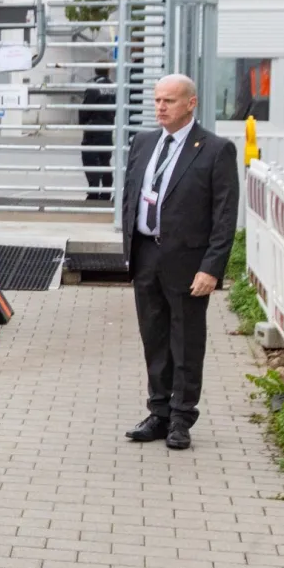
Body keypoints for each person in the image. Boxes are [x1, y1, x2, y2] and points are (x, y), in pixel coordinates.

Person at [122, 74, 238, 451]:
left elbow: (224, 215)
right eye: (157, 100)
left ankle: (182, 416)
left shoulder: (216, 150)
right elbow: (132, 195)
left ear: (191, 103)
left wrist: (212, 267)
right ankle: (158, 412)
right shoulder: (142, 142)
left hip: (188, 261)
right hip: (146, 254)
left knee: (186, 339)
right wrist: (130, 248)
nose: (160, 107)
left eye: (169, 101)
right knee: (154, 337)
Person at [80, 66, 115, 201]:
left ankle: (93, 191)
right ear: (108, 71)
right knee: (105, 160)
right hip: (107, 128)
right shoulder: (113, 86)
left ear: (95, 70)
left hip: (93, 128)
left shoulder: (94, 86)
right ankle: (106, 192)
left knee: (90, 159)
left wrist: (83, 123)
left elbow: (87, 107)